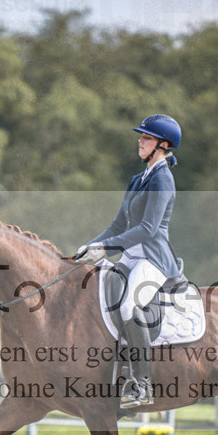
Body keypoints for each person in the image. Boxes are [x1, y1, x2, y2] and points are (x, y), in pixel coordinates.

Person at [75, 114, 183, 409]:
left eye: (146, 138)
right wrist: (93, 246)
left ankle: (142, 385)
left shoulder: (163, 179)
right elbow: (118, 225)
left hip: (154, 260)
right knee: (94, 292)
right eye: (141, 137)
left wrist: (107, 247)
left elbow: (147, 229)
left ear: (162, 145)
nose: (140, 140)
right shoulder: (138, 179)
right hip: (131, 256)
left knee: (128, 306)